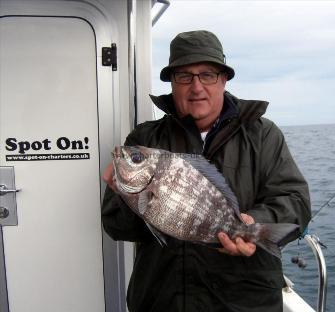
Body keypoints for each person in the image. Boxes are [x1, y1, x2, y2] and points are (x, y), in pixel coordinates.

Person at [102, 30, 311, 312]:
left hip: (245, 304)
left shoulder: (262, 134)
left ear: (224, 79)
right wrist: (125, 196)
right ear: (172, 83)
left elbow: (295, 201)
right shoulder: (145, 140)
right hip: (162, 302)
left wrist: (254, 223)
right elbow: (117, 226)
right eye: (184, 76)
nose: (196, 87)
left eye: (207, 74)